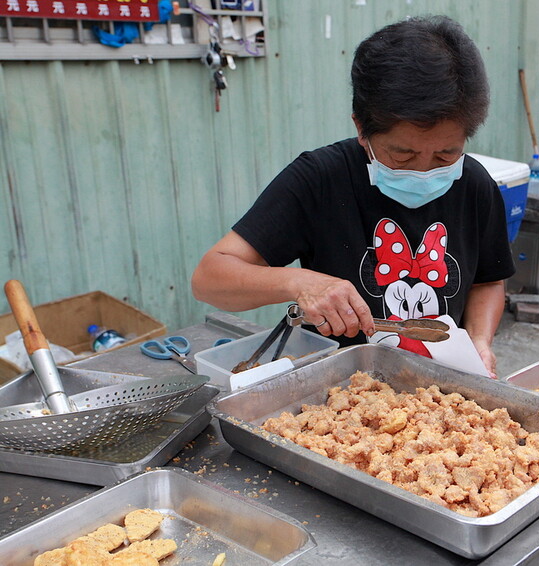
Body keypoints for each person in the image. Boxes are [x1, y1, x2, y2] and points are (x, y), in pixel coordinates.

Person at [191, 16, 515, 377]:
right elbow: (209, 278)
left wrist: (480, 341)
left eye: (445, 155)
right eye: (403, 154)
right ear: (362, 127)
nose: (423, 170)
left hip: (437, 386)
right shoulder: (319, 179)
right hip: (336, 390)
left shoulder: (475, 185)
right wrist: (300, 283)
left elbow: (488, 280)